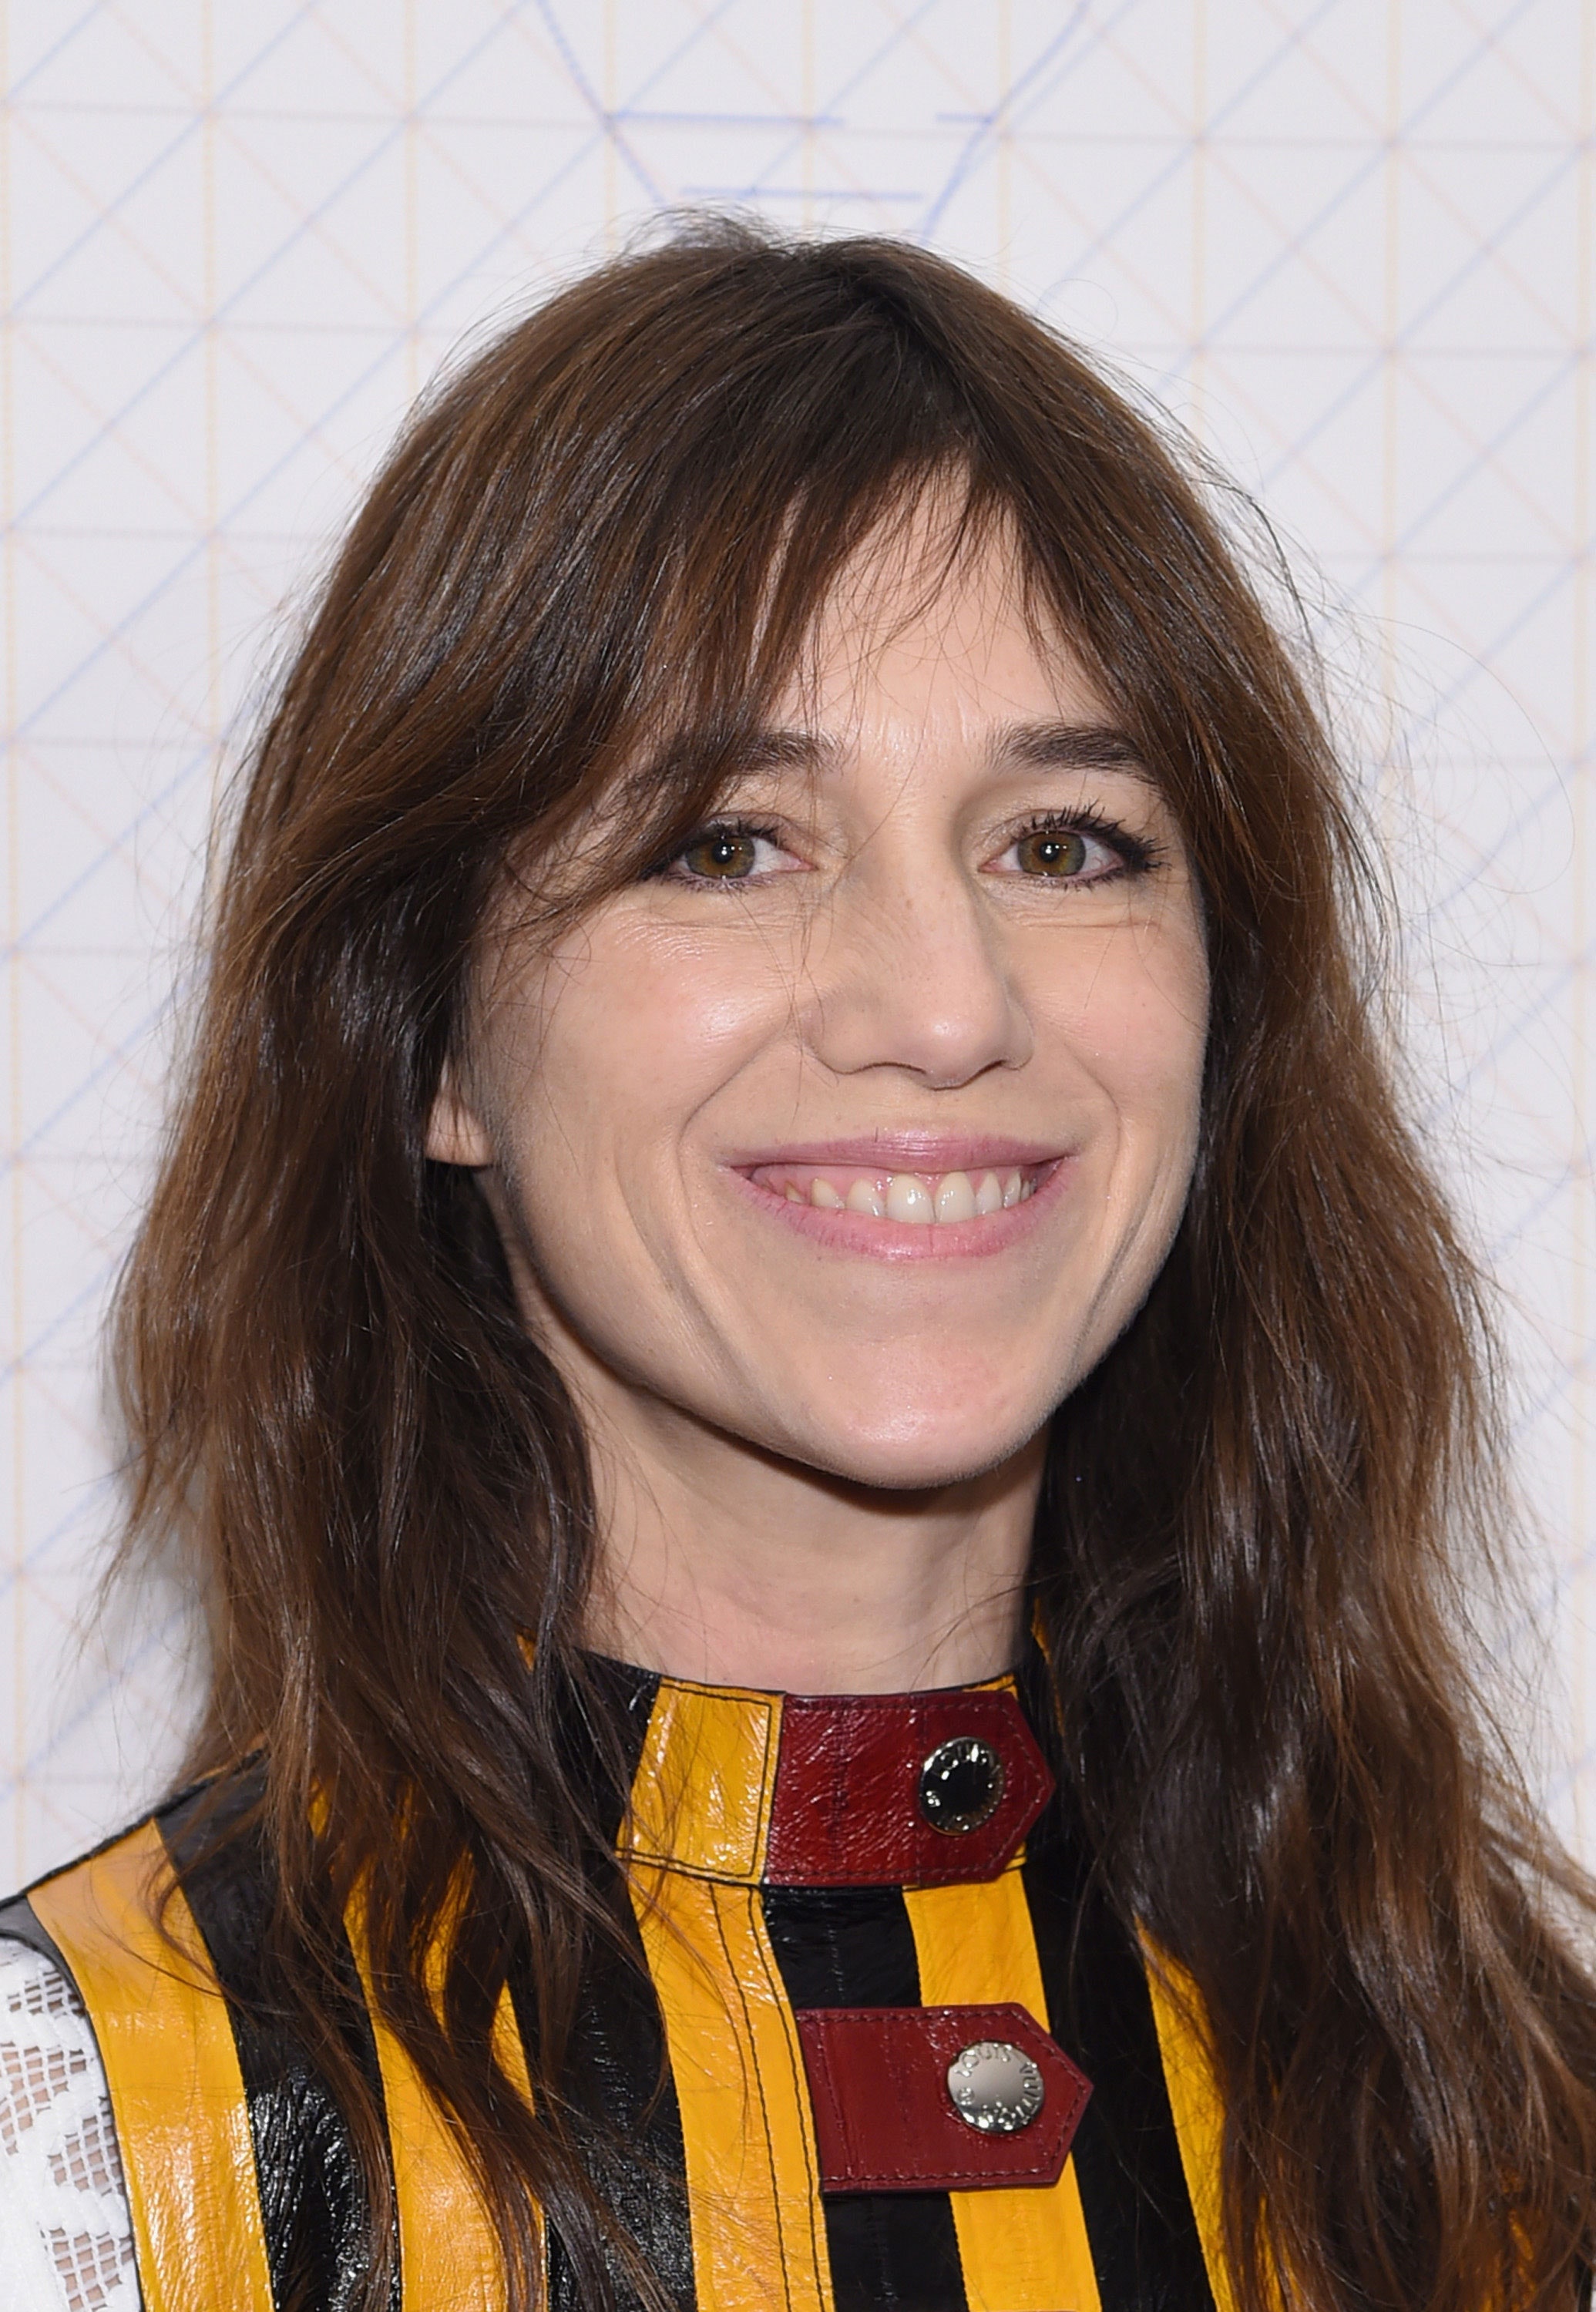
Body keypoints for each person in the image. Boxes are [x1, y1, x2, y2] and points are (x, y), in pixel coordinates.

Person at [0, 217, 1592, 2312]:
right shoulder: (95, 2145)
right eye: (729, 842)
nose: (945, 1007)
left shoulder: (1493, 2108)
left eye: (1064, 845)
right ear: (432, 1041)